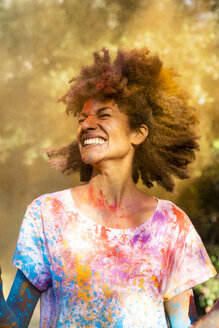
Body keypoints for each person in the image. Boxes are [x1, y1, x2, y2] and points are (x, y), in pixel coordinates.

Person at [0, 48, 218, 328]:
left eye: (103, 115)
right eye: (81, 119)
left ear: (138, 133)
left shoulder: (172, 225)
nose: (87, 125)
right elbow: (13, 322)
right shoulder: (47, 214)